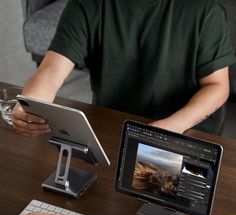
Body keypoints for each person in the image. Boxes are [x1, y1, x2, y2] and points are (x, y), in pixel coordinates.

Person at [12, 0, 236, 136]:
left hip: (188, 128)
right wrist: (31, 104)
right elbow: (50, 71)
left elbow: (217, 86)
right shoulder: (88, 5)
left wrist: (171, 127)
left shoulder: (204, 8)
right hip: (115, 122)